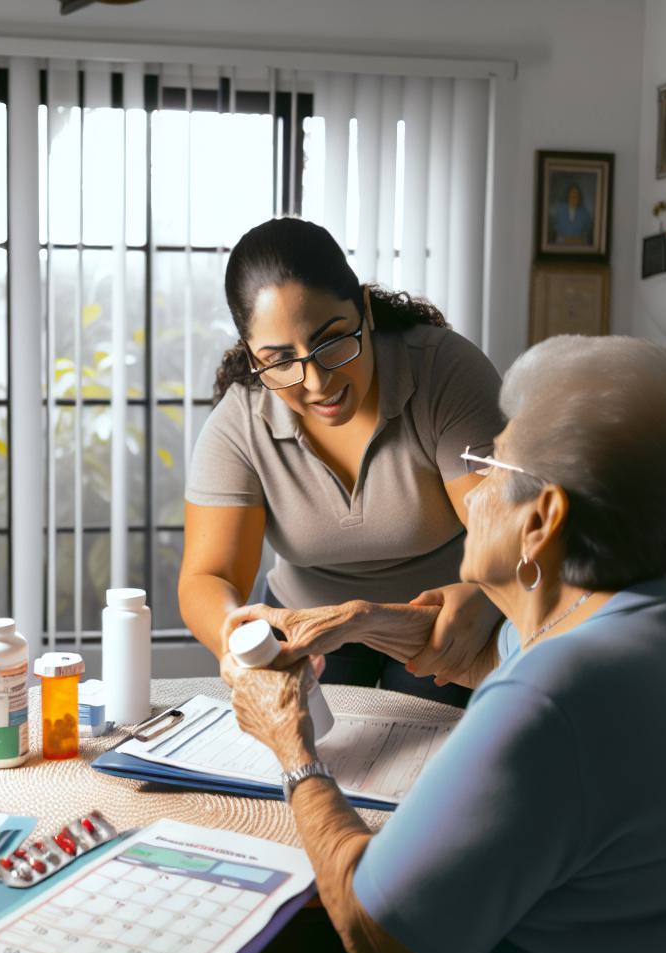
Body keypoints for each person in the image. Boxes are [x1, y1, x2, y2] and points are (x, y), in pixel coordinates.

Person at [221, 334, 666, 953]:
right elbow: (488, 650)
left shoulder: (550, 699)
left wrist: (293, 747)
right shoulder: (653, 622)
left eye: (492, 463)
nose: (473, 488)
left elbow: (370, 924)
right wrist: (356, 620)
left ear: (543, 520)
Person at [179, 216, 504, 707]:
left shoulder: (446, 373)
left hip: (438, 621)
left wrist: (487, 594)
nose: (316, 382)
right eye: (280, 360)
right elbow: (210, 577)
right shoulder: (240, 423)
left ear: (365, 310)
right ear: (251, 356)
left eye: (331, 341)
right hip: (309, 624)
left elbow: (506, 533)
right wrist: (235, 639)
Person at [548, 182, 594, 246]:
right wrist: (564, 239)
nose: (574, 197)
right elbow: (556, 230)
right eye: (572, 195)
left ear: (579, 197)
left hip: (579, 246)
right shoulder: (560, 210)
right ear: (568, 196)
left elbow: (586, 232)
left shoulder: (585, 213)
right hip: (561, 245)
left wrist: (578, 239)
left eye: (576, 195)